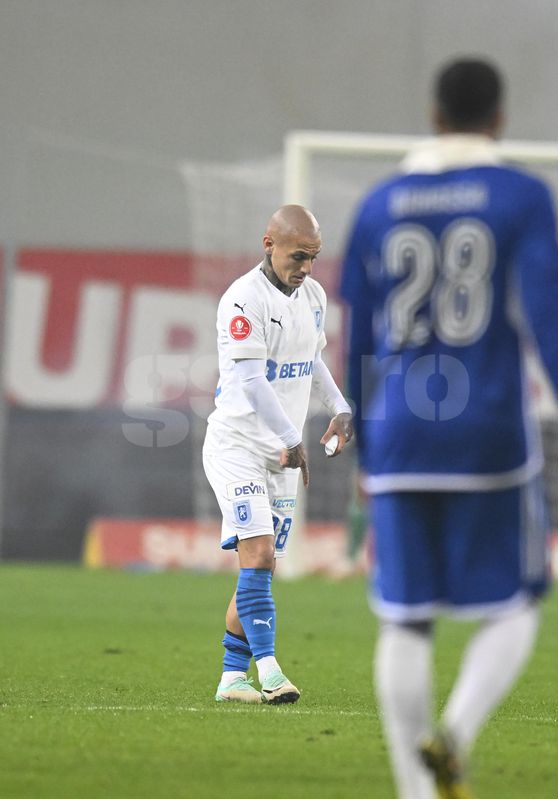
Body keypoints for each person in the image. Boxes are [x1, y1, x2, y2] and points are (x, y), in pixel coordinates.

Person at [340, 57, 558, 799]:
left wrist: (368, 451)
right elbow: (548, 324)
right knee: (517, 601)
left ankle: (414, 789)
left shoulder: (377, 205)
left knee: (405, 620)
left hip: (399, 429)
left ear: (433, 116)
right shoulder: (521, 195)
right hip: (486, 433)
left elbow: (359, 338)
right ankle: (456, 734)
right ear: (499, 119)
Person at [203, 204, 354, 705]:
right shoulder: (243, 301)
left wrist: (339, 406)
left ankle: (230, 678)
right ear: (269, 244)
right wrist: (292, 438)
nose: (306, 267)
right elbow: (248, 380)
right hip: (239, 448)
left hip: (282, 456)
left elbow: (311, 360)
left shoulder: (313, 296)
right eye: (297, 255)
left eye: (313, 257)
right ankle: (269, 671)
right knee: (261, 553)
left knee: (258, 567)